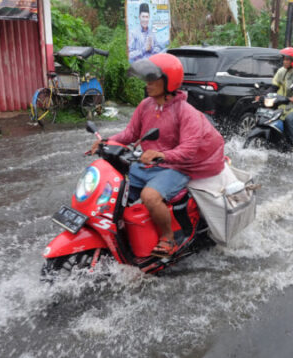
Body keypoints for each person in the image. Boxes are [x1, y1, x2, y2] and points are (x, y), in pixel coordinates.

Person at [91, 53, 225, 257]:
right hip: (148, 165)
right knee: (115, 191)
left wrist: (161, 155)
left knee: (150, 197)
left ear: (169, 82)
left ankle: (168, 238)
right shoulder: (146, 105)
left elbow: (189, 149)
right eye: (147, 79)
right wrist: (107, 141)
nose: (147, 84)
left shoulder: (185, 112)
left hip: (176, 167)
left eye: (153, 79)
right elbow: (130, 134)